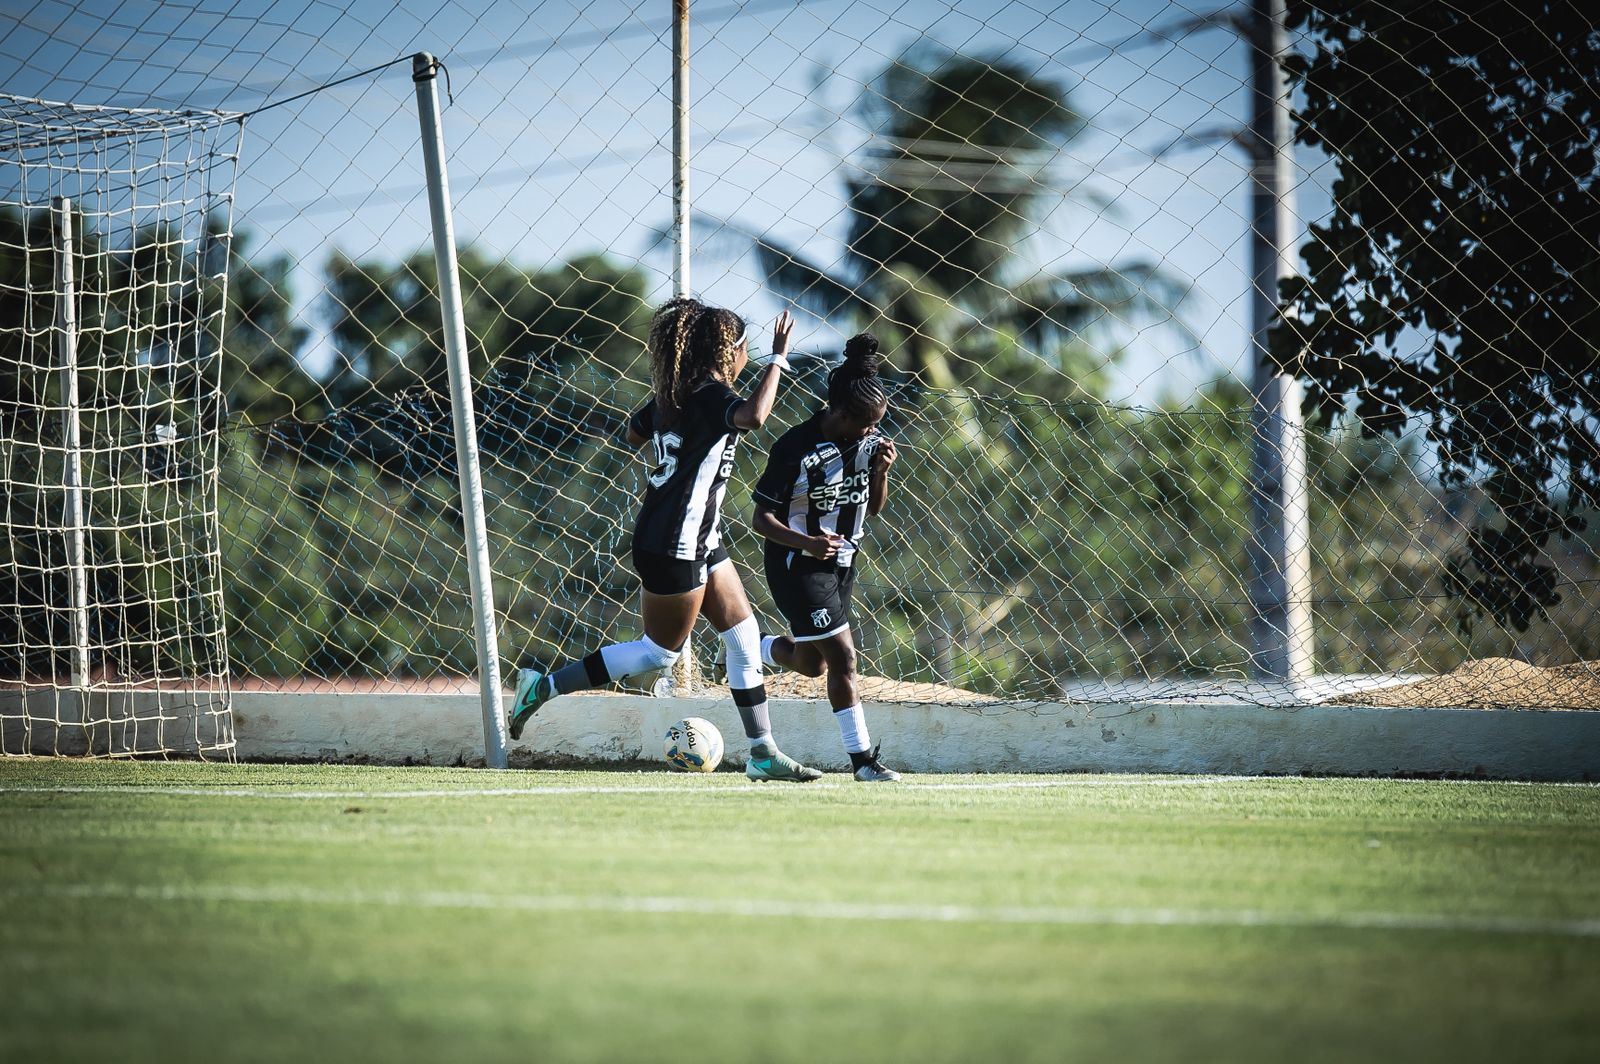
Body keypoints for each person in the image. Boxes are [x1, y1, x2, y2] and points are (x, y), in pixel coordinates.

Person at [508, 298, 822, 784]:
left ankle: (763, 753)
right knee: (659, 654)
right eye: (747, 349)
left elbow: (633, 432)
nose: (749, 357)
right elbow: (755, 416)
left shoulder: (676, 397)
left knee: (742, 637)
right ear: (731, 353)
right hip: (676, 543)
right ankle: (544, 686)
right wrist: (779, 357)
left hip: (697, 535)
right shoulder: (713, 396)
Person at [748, 333, 901, 782]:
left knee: (813, 664)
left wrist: (881, 473)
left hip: (843, 563)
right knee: (844, 659)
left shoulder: (869, 443)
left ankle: (751, 647)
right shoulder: (793, 448)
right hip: (797, 564)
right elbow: (761, 519)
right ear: (839, 413)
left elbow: (873, 508)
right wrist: (809, 543)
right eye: (867, 424)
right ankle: (863, 762)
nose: (872, 431)